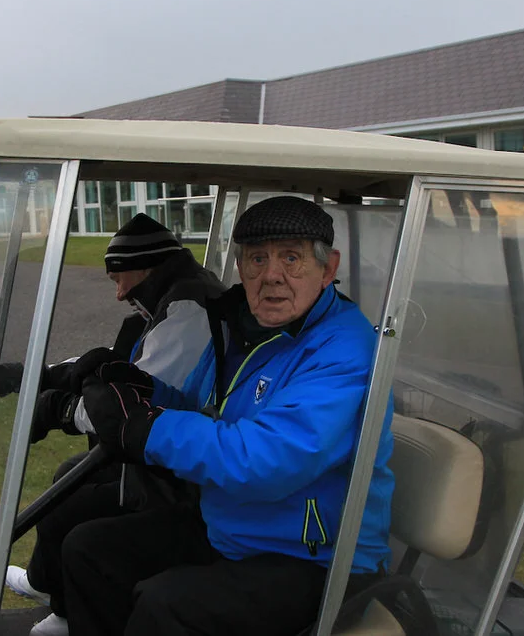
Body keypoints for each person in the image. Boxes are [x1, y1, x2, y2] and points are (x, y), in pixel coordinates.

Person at [64, 196, 395, 636]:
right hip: (238, 527)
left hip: (315, 558)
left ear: (328, 269)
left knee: (165, 606)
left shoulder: (345, 350)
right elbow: (205, 409)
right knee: (88, 549)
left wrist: (146, 428)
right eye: (257, 258)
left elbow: (266, 460)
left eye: (292, 258)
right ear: (240, 267)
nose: (271, 275)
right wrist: (139, 390)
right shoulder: (249, 332)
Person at [0, 213, 225, 636]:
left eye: (120, 279)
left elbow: (132, 402)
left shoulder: (187, 311)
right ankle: (48, 588)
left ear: (147, 267)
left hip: (179, 476)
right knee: (67, 478)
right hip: (168, 457)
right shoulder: (176, 297)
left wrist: (61, 411)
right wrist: (36, 374)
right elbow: (119, 361)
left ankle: (67, 613)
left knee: (72, 516)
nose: (119, 293)